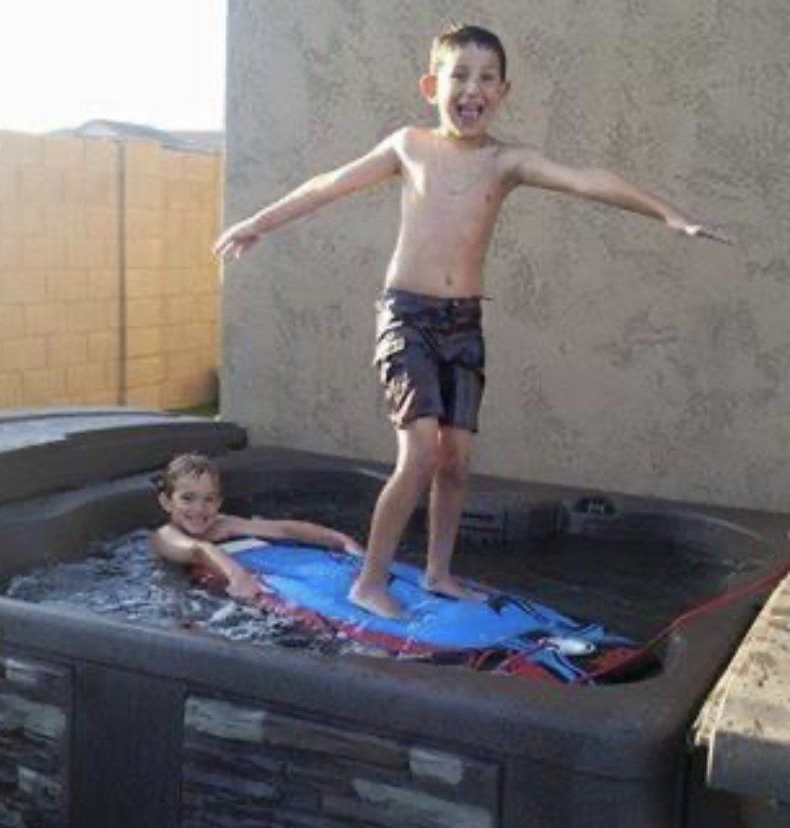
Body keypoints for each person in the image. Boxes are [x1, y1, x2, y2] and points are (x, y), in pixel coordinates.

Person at [214, 23, 730, 618]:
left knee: (456, 461)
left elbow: (589, 181)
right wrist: (257, 223)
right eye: (459, 75)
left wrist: (668, 215)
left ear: (503, 92)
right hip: (407, 317)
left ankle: (438, 573)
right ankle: (370, 581)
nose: (472, 89)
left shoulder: (505, 162)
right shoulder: (409, 145)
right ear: (432, 85)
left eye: (487, 78)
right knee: (420, 455)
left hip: (463, 325)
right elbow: (328, 185)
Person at [151, 453, 362, 599]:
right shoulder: (165, 535)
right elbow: (200, 550)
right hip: (197, 590)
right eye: (187, 498)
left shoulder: (223, 523)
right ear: (167, 502)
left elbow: (283, 529)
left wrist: (338, 539)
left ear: (219, 503)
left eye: (209, 499)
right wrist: (238, 578)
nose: (199, 509)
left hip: (269, 566)